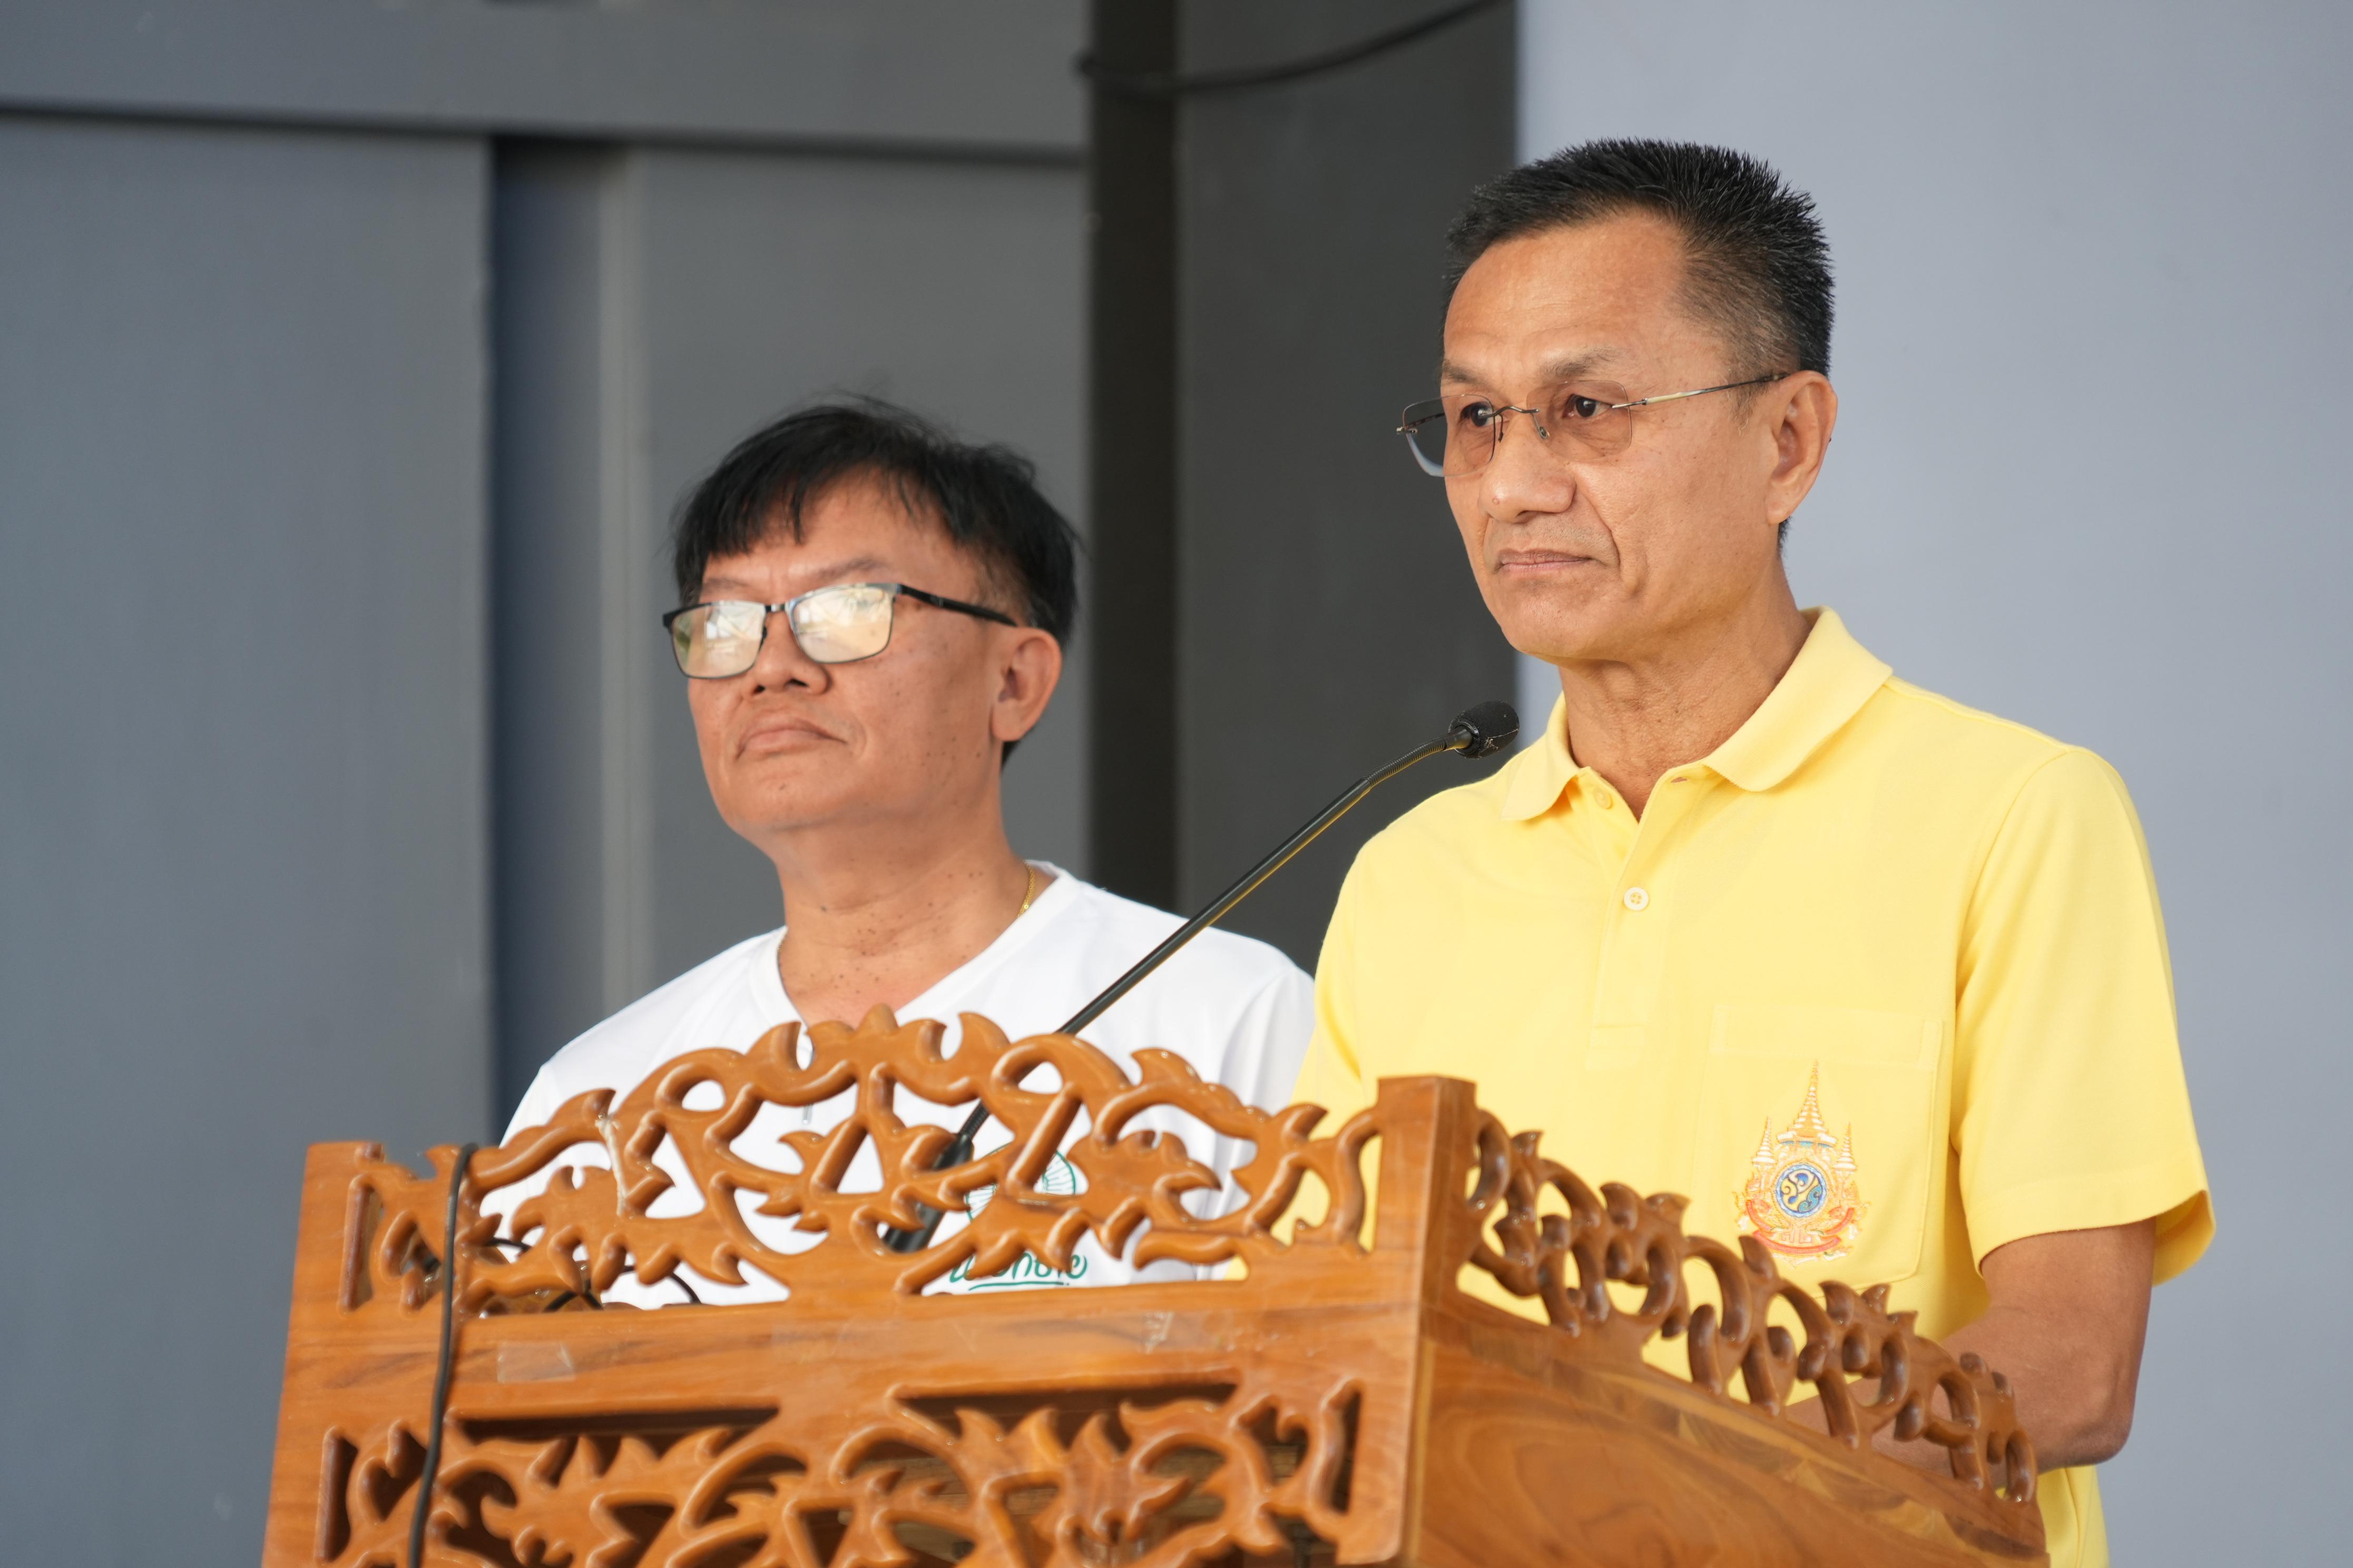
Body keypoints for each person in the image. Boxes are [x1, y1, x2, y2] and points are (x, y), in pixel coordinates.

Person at [1300, 141, 2205, 1567]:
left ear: (1786, 441)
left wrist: (1654, 1513)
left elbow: (2072, 1362)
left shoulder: (2011, 814)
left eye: (1584, 410)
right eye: (1474, 420)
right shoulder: (1410, 876)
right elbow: (1323, 1338)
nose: (1512, 483)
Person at [503, 400, 1313, 1297]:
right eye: (725, 624)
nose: (772, 666)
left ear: (1015, 682)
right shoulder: (596, 1100)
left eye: (849, 611)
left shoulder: (1223, 1018)